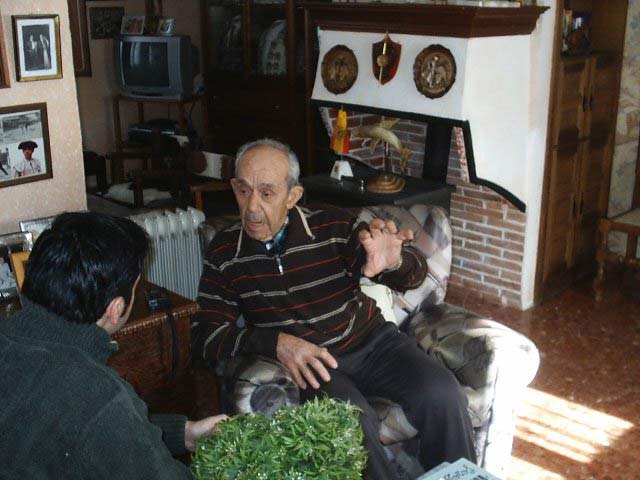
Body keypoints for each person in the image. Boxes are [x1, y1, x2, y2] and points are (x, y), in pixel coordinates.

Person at [191, 138, 476, 479]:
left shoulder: (332, 226)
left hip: (375, 343)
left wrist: (394, 261)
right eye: (243, 190)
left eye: (267, 193)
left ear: (293, 196)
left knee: (443, 393)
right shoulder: (226, 253)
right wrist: (276, 343)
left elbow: (412, 276)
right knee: (350, 424)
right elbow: (207, 337)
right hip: (316, 365)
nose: (252, 206)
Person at [0, 212, 227, 479]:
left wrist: (185, 433)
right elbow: (97, 420)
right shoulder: (99, 395)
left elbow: (70, 430)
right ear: (115, 308)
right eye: (135, 287)